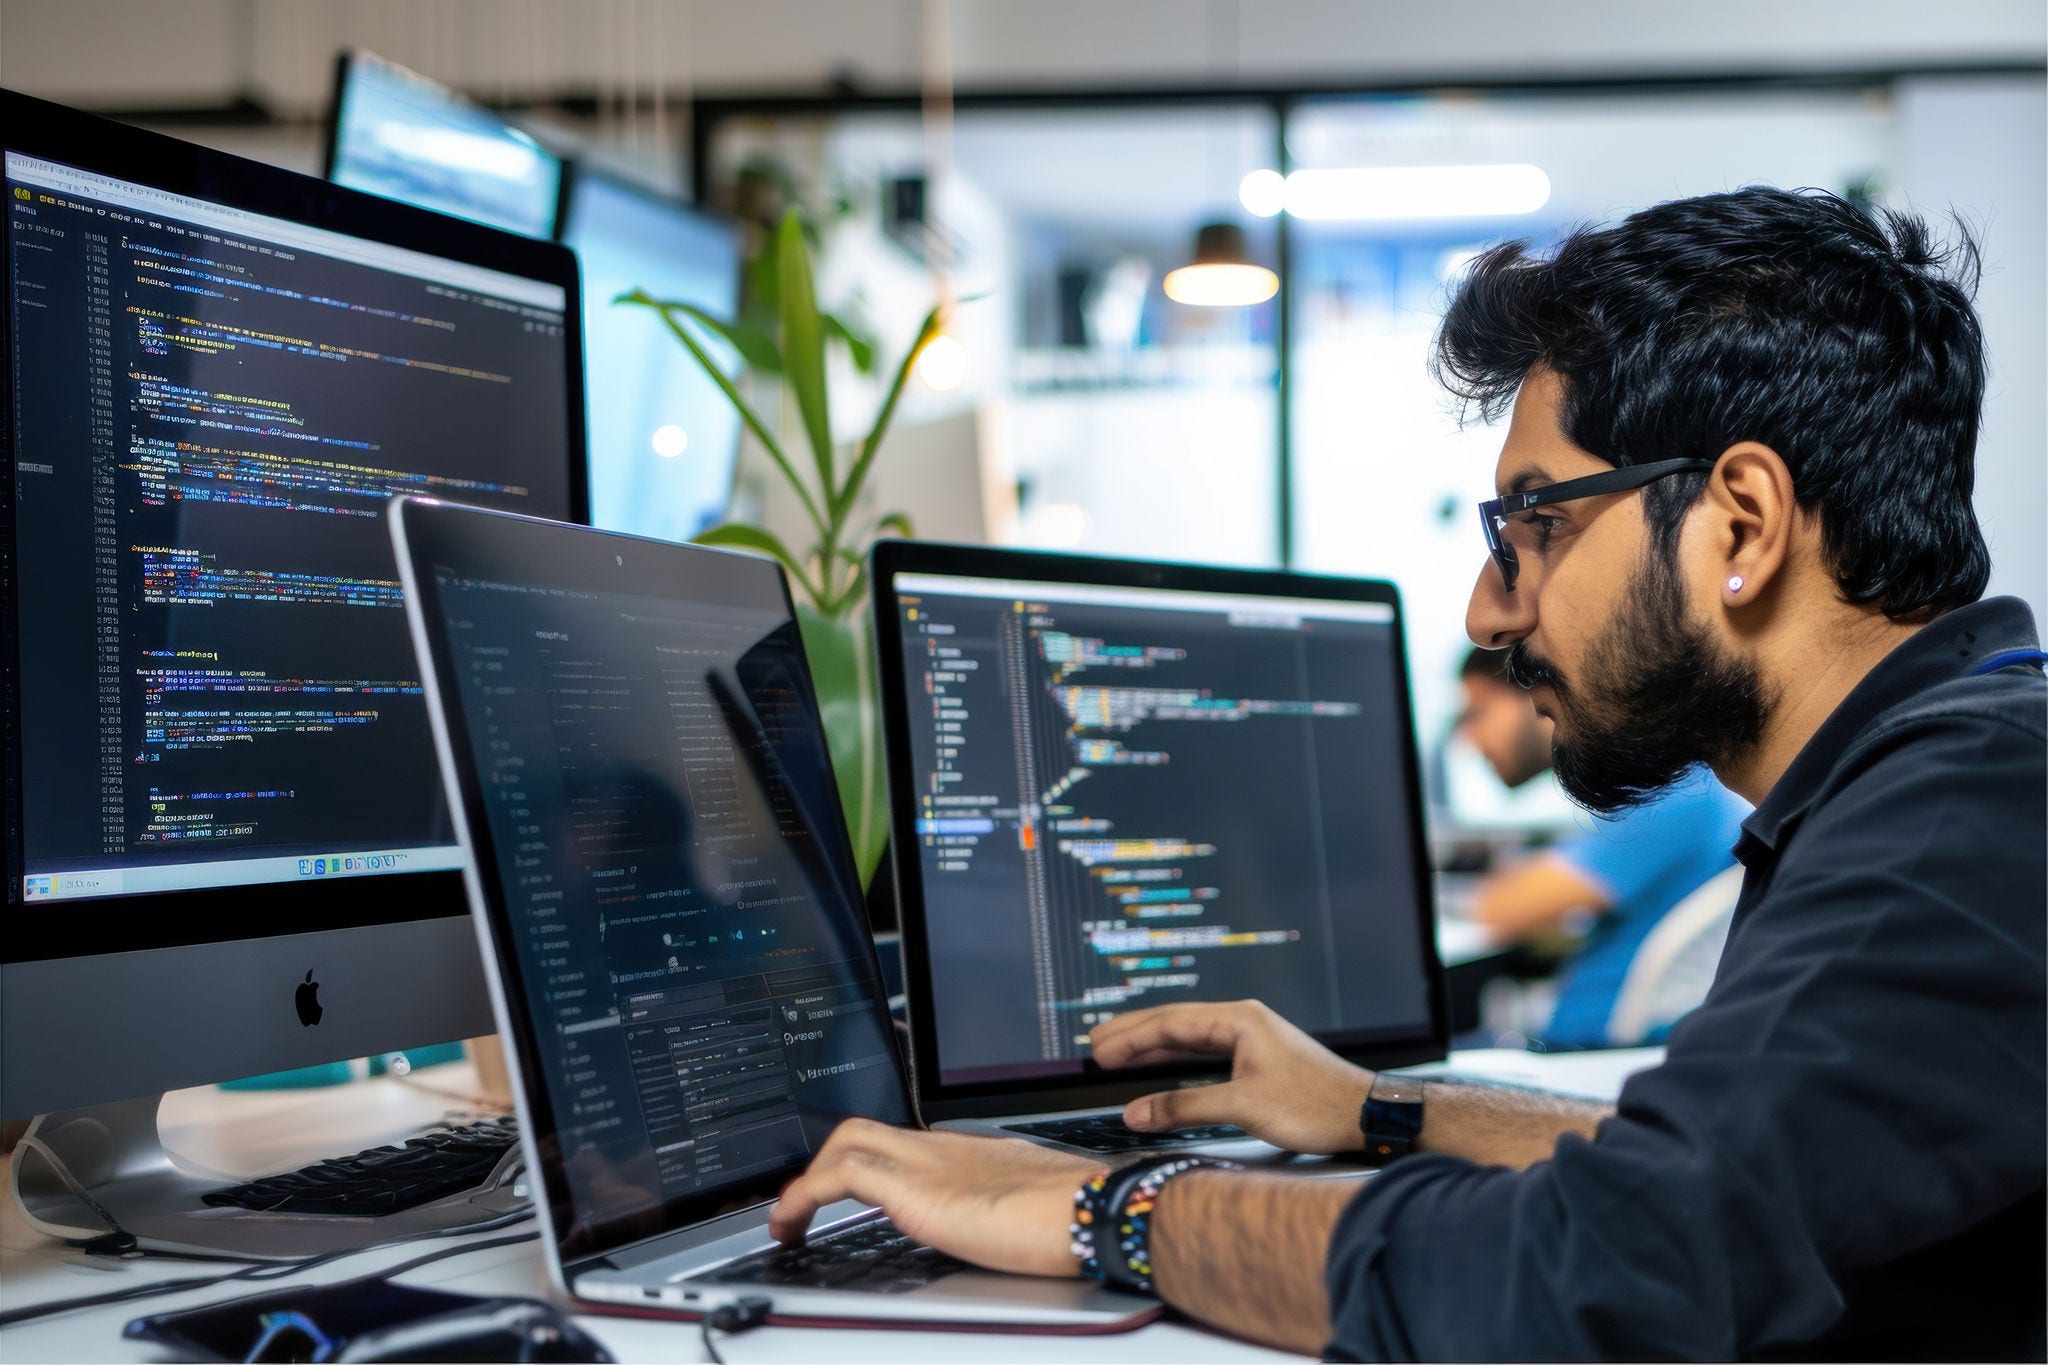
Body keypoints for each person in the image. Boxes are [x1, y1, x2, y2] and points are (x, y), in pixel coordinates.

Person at [766, 188, 2046, 1360]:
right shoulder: (1941, 776)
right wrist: (1376, 1109)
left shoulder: (1961, 815)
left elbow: (1597, 1264)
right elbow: (1710, 1171)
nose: (1490, 611)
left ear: (1742, 524)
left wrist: (1103, 1206)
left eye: (1535, 524)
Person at [1454, 646, 1748, 1047]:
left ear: (1538, 694)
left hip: (1587, 1052)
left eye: (1477, 713)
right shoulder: (1684, 790)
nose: (1467, 740)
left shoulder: (1670, 793)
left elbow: (1500, 909)